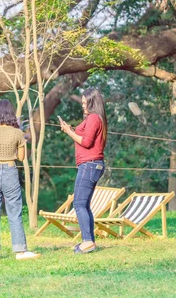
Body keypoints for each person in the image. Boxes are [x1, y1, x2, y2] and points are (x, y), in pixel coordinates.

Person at [0, 99, 40, 261]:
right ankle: (20, 251)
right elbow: (21, 158)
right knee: (14, 212)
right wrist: (19, 147)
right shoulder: (17, 133)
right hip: (9, 171)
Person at [59, 88, 108, 254]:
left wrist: (68, 131)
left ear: (92, 102)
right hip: (91, 165)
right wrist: (72, 129)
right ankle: (90, 242)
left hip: (90, 164)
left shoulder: (94, 118)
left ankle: (87, 241)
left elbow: (86, 142)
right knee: (84, 205)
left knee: (79, 204)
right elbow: (86, 136)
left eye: (85, 103)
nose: (83, 106)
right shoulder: (93, 119)